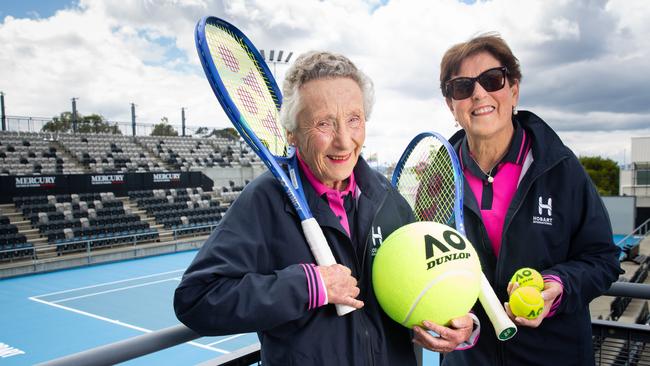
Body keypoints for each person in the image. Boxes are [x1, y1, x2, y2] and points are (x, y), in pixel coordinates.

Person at [174, 51, 475, 365]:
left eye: (354, 119)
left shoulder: (386, 196)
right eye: (324, 124)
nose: (344, 141)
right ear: (291, 132)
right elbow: (197, 299)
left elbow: (427, 278)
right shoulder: (265, 200)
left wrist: (457, 323)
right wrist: (308, 286)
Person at [438, 33, 623, 365]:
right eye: (463, 87)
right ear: (452, 105)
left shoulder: (561, 169)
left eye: (492, 80)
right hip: (471, 359)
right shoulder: (438, 180)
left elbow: (603, 259)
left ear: (514, 90)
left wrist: (558, 285)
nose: (479, 93)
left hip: (555, 355)